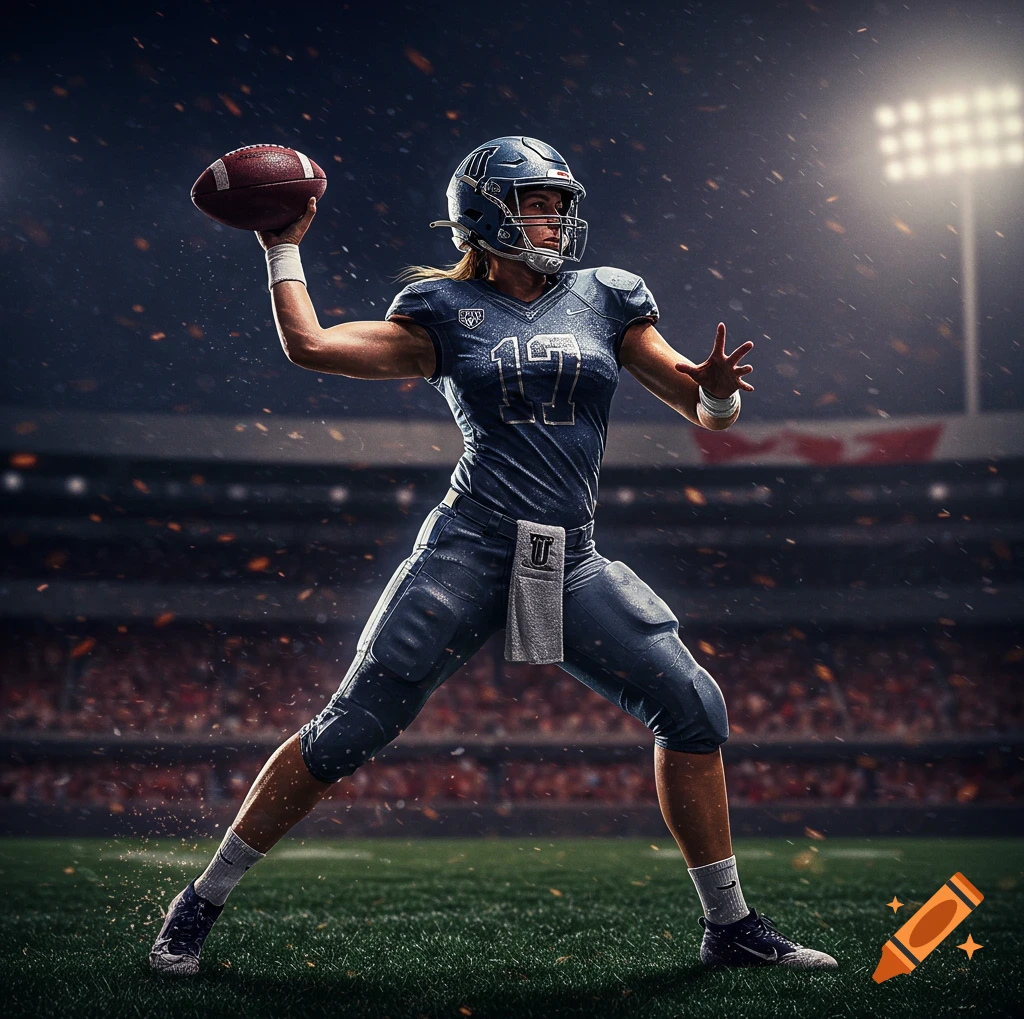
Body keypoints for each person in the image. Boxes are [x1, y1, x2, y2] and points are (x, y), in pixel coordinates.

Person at [150, 136, 836, 974]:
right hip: (470, 550)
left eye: (557, 202)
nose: (555, 218)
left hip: (565, 558)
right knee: (347, 733)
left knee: (694, 710)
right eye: (537, 202)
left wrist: (720, 388)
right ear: (488, 212)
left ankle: (729, 927)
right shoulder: (439, 308)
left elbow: (705, 411)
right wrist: (282, 244)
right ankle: (199, 902)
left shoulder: (608, 295)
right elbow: (313, 347)